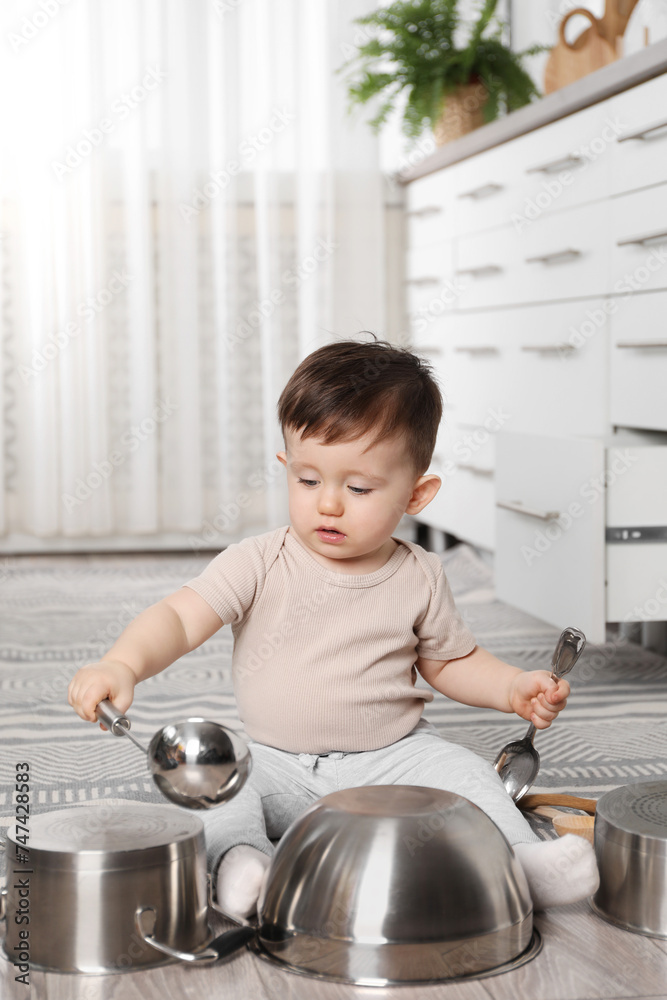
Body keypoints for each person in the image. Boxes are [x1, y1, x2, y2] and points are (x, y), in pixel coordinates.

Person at [68, 336, 599, 919]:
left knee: (466, 772)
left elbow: (449, 662)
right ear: (285, 469)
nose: (328, 505)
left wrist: (510, 688)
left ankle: (524, 863)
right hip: (275, 761)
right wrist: (123, 662)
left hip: (394, 759)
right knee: (213, 778)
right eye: (308, 480)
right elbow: (178, 616)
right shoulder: (258, 561)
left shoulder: (419, 574)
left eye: (360, 488)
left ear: (415, 495)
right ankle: (244, 867)